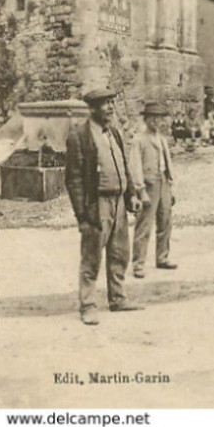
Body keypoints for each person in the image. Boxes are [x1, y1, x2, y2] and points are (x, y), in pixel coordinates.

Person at [64, 87, 142, 325]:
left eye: (111, 103)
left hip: (118, 202)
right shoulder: (80, 136)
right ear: (92, 108)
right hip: (96, 203)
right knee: (92, 256)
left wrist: (131, 196)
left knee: (120, 252)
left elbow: (124, 167)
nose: (110, 108)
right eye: (104, 104)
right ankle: (87, 305)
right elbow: (74, 179)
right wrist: (83, 215)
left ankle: (117, 298)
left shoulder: (114, 133)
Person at [129, 101, 177, 278]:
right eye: (153, 118)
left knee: (165, 222)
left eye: (160, 118)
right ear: (146, 119)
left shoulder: (162, 139)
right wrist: (140, 191)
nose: (157, 122)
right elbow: (135, 167)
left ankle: (162, 257)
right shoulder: (139, 140)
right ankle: (138, 264)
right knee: (144, 225)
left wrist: (171, 186)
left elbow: (167, 163)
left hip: (163, 182)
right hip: (148, 185)